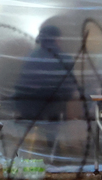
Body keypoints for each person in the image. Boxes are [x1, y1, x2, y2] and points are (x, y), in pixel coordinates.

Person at [10, 22, 78, 158]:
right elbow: (69, 88)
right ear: (57, 39)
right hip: (52, 109)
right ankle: (54, 151)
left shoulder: (31, 56)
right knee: (57, 116)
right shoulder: (64, 58)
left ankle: (23, 153)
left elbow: (22, 84)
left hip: (27, 108)